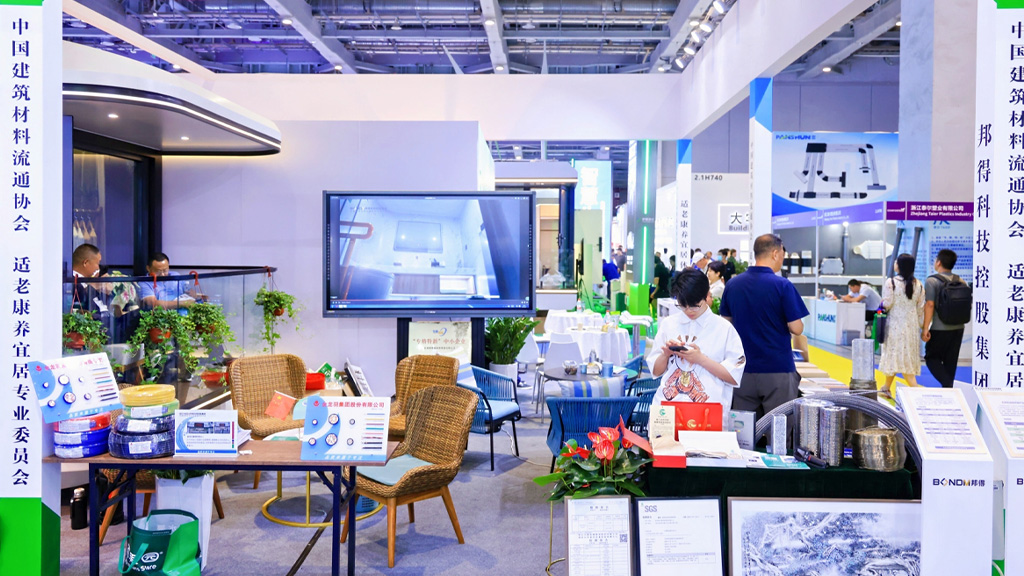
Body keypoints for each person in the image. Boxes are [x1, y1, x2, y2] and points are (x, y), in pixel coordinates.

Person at [720, 234, 809, 419]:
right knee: (779, 428)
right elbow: (797, 328)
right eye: (782, 255)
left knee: (744, 429)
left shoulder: (733, 284)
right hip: (777, 368)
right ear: (775, 253)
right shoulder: (783, 285)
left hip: (742, 369)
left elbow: (725, 324)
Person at [646, 269, 745, 410]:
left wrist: (700, 359)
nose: (688, 310)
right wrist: (666, 354)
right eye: (682, 305)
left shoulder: (724, 329)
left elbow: (734, 376)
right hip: (667, 409)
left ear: (707, 296)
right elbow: (656, 372)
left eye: (694, 305)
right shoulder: (669, 324)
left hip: (707, 410)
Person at [879, 253, 925, 396]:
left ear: (899, 265)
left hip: (894, 325)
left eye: (896, 262)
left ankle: (916, 390)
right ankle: (886, 387)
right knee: (905, 355)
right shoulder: (918, 284)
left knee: (894, 354)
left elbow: (887, 303)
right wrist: (922, 327)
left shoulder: (891, 282)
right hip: (911, 326)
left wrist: (880, 306)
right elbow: (920, 308)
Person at [923, 249, 966, 388]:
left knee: (931, 358)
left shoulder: (932, 281)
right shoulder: (961, 281)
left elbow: (930, 305)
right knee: (951, 361)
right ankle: (949, 388)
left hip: (939, 327)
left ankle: (947, 383)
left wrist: (925, 328)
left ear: (938, 262)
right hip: (959, 327)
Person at [70, 243, 111, 315]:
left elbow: (102, 310)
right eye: (97, 263)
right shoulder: (71, 284)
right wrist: (94, 285)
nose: (98, 268)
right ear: (85, 263)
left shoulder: (88, 285)